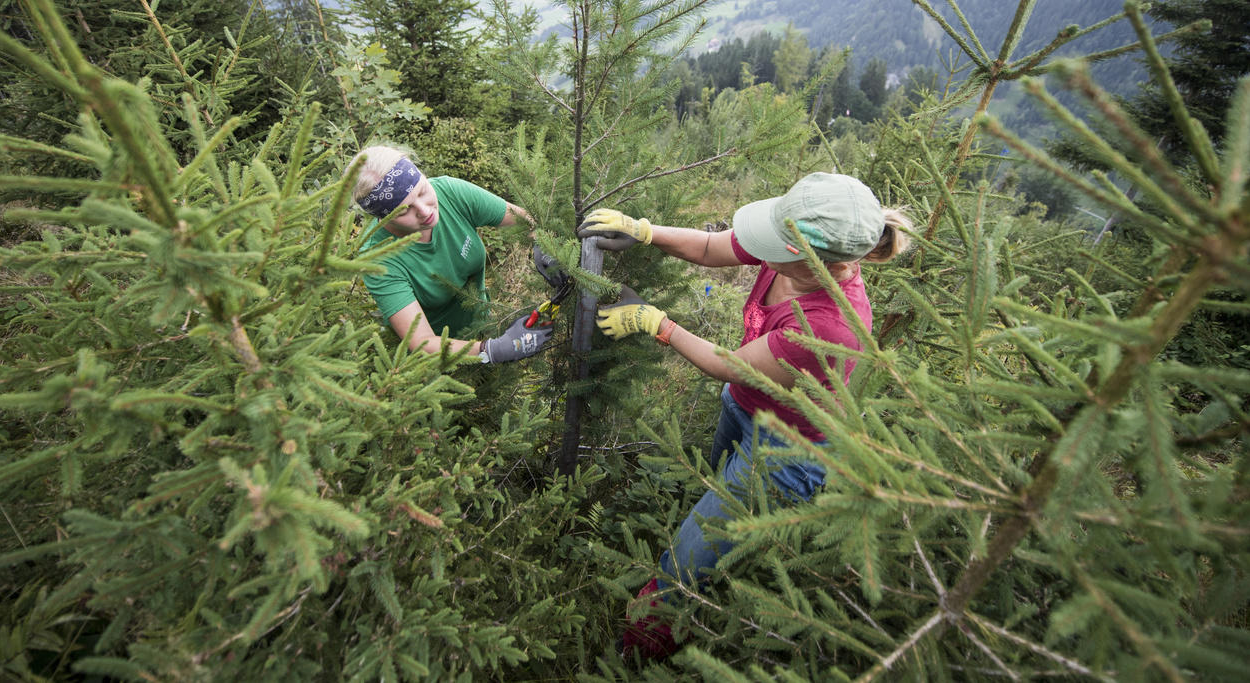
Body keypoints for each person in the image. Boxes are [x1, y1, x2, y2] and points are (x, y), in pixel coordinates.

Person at [578, 172, 912, 658]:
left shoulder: (829, 325)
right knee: (715, 484)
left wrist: (656, 323)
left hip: (786, 450)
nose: (759, 248)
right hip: (746, 403)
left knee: (690, 560)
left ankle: (639, 648)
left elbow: (727, 363)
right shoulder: (794, 248)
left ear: (811, 262)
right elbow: (714, 248)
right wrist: (645, 231)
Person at [350, 145, 557, 364]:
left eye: (422, 191)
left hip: (484, 328)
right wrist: (493, 350)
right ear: (383, 218)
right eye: (404, 210)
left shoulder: (450, 193)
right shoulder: (378, 259)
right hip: (439, 364)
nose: (425, 210)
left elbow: (528, 221)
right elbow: (422, 342)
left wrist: (546, 247)